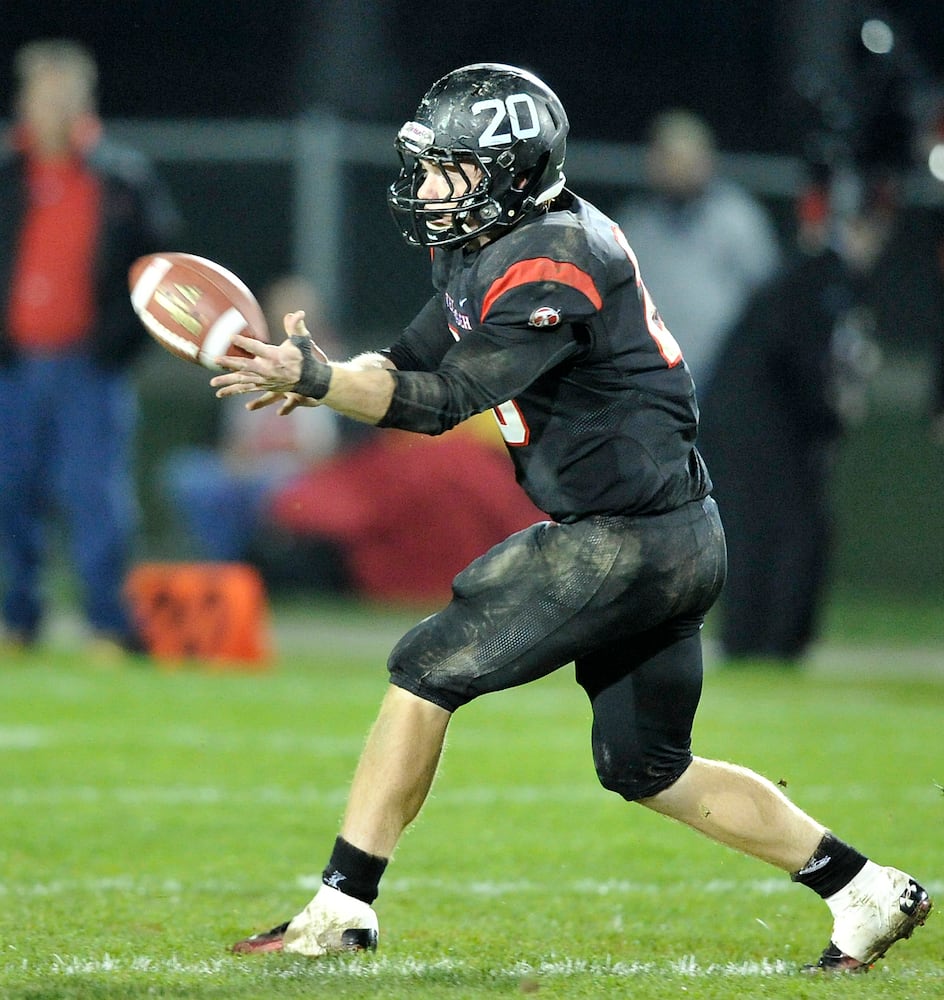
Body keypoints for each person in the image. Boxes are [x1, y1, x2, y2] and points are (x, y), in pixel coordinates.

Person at [211, 64, 931, 971]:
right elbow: (408, 356)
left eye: (448, 167)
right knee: (647, 766)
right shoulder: (495, 242)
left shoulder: (558, 257)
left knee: (425, 667)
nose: (428, 186)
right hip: (673, 529)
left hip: (622, 538)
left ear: (507, 171)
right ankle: (863, 889)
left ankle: (339, 908)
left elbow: (442, 401)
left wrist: (317, 383)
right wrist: (314, 368)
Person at [0, 39, 180, 655]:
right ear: (23, 101)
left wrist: (118, 345)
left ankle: (107, 623)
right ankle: (17, 621)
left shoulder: (121, 178)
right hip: (14, 367)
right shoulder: (6, 176)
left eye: (64, 94)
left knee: (95, 497)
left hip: (89, 369)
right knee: (9, 493)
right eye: (41, 94)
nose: (51, 108)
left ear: (84, 101)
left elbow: (160, 272)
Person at [699, 170, 888, 664]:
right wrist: (827, 419)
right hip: (758, 426)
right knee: (776, 530)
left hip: (757, 422)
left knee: (773, 528)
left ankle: (764, 639)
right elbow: (803, 362)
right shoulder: (821, 277)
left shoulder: (816, 276)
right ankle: (764, 641)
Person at [160, 275, 341, 565]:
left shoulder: (332, 368)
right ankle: (220, 565)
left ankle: (255, 567)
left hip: (294, 469)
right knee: (189, 475)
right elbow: (236, 437)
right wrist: (238, 460)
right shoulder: (252, 362)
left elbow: (320, 448)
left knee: (263, 490)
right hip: (248, 464)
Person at [615, 109, 781, 397]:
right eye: (670, 158)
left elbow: (769, 300)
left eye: (688, 159)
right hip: (655, 384)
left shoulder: (737, 219)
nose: (679, 168)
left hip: (729, 383)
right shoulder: (633, 228)